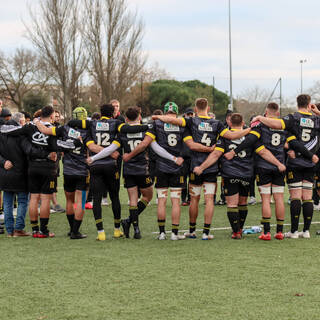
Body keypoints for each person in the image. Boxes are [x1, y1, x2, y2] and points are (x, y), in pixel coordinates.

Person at [152, 99, 251, 240]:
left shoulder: (191, 121)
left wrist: (158, 117)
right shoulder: (216, 123)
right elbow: (231, 135)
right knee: (209, 199)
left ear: (195, 108)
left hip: (195, 165)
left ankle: (192, 231)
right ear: (208, 107)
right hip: (211, 167)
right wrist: (249, 130)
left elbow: (176, 123)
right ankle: (206, 233)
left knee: (194, 200)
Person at [123, 101, 215, 240]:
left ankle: (161, 233)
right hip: (178, 166)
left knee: (161, 200)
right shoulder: (180, 125)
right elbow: (189, 145)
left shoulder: (157, 124)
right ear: (176, 113)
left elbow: (150, 145)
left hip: (161, 167)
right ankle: (174, 233)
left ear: (165, 112)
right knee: (176, 201)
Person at [88, 106, 181, 239]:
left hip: (128, 169)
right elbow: (157, 149)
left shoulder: (122, 132)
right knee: (147, 197)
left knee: (132, 199)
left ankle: (135, 229)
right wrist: (173, 158)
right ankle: (130, 223)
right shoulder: (147, 131)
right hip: (142, 169)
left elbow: (110, 149)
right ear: (139, 117)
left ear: (126, 118)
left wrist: (93, 158)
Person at [230, 103, 316, 240]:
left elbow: (251, 140)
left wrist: (235, 151)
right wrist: (293, 150)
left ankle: (266, 232)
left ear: (266, 112)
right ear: (277, 113)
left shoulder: (260, 125)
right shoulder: (284, 127)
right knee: (279, 198)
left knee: (265, 199)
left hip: (264, 167)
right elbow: (292, 143)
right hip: (280, 167)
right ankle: (280, 232)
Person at [194, 113, 286, 239]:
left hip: (230, 173)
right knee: (243, 203)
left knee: (232, 204)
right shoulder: (250, 136)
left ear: (230, 124)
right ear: (243, 123)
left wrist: (201, 167)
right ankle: (241, 228)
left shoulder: (225, 136)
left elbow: (215, 155)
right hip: (247, 174)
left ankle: (236, 232)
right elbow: (263, 152)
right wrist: (278, 163)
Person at [67, 104, 148, 240]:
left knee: (97, 199)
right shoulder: (117, 123)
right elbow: (128, 128)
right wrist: (148, 126)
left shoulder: (92, 123)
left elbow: (72, 122)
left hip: (96, 165)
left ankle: (101, 233)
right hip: (111, 166)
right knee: (114, 197)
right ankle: (117, 230)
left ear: (100, 112)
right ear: (113, 113)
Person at [251, 94, 320, 238]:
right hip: (310, 162)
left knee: (295, 196)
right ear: (309, 105)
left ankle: (294, 232)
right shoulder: (316, 119)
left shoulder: (293, 118)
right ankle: (306, 231)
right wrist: (317, 112)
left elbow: (276, 124)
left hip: (295, 162)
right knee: (307, 197)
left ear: (297, 103)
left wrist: (260, 118)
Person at [35, 106, 90, 239]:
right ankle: (75, 232)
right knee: (80, 202)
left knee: (69, 201)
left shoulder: (65, 128)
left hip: (68, 170)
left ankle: (72, 229)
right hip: (82, 170)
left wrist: (36, 121)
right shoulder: (89, 129)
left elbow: (45, 130)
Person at [0, 112, 30, 237]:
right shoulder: (22, 134)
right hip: (20, 172)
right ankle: (18, 229)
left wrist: (3, 162)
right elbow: (27, 152)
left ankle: (9, 230)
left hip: (5, 173)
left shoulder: (1, 133)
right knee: (23, 200)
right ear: (21, 121)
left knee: (7, 202)